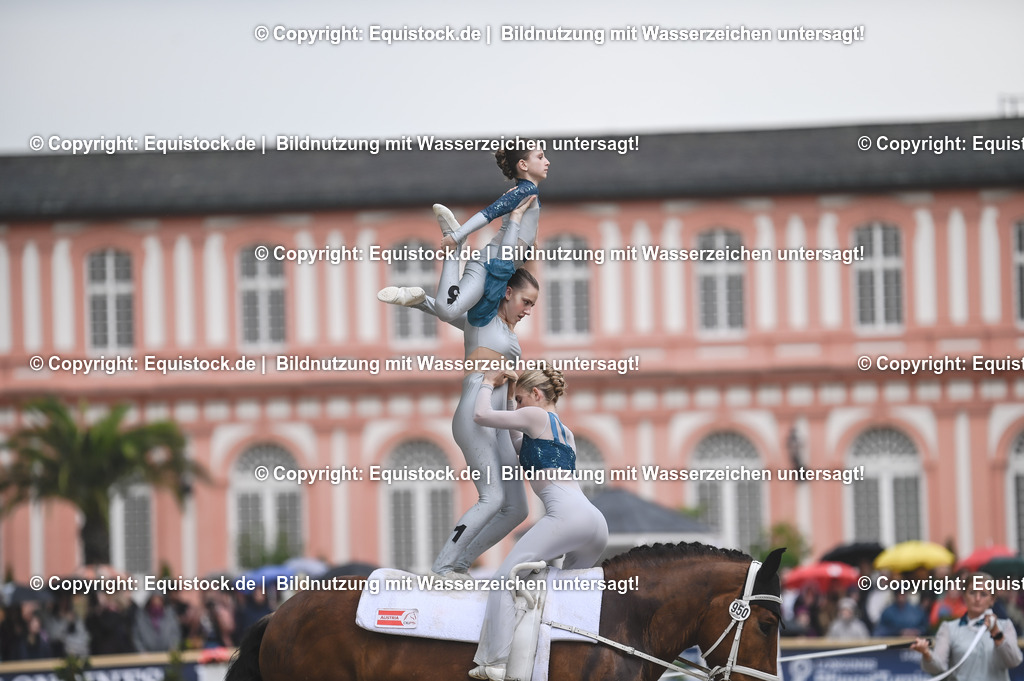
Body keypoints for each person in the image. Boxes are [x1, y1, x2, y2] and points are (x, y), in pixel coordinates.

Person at [468, 367, 609, 681]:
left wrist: (488, 384)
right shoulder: (564, 431)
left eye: (520, 400)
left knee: (505, 580)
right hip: (595, 524)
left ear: (537, 395)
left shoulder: (534, 415)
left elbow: (480, 415)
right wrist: (511, 390)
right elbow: (516, 442)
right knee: (563, 599)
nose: (518, 407)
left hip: (568, 518)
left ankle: (496, 664)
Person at [426, 268, 539, 580]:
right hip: (476, 415)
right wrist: (513, 219)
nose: (529, 311)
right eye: (526, 302)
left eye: (532, 305)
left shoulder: (505, 331)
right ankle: (442, 566)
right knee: (492, 497)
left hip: (498, 420)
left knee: (517, 508)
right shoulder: (485, 319)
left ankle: (461, 564)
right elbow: (448, 308)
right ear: (506, 293)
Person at [378, 145, 548, 325]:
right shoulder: (524, 191)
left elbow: (528, 240)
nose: (547, 162)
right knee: (448, 311)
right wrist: (456, 236)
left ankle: (419, 300)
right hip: (487, 265)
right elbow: (488, 214)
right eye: (540, 157)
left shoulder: (529, 194)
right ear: (523, 164)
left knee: (477, 322)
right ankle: (453, 252)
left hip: (499, 269)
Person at [911, 572, 1023, 681]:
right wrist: (926, 653)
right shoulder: (949, 628)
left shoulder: (1005, 625)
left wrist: (997, 634)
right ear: (964, 596)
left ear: (992, 599)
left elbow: (1014, 661)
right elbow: (938, 667)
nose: (977, 598)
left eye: (983, 594)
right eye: (972, 593)